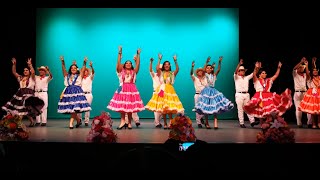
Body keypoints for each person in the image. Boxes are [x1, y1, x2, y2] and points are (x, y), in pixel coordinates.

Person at [107, 46, 145, 129]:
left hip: (131, 89)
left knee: (130, 107)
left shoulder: (134, 72)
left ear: (131, 65)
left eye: (130, 63)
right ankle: (122, 121)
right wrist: (120, 52)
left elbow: (138, 64)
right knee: (122, 107)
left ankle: (130, 123)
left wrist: (138, 54)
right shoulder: (121, 71)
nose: (128, 64)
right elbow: (118, 63)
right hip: (122, 89)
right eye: (126, 63)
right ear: (124, 65)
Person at [145, 53, 184, 129]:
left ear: (169, 66)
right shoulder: (161, 73)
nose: (166, 65)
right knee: (163, 107)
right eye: (165, 64)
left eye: (168, 64)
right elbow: (157, 68)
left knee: (169, 107)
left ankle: (170, 122)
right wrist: (159, 59)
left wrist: (175, 61)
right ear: (163, 66)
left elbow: (177, 69)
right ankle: (165, 123)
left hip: (170, 90)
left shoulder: (172, 73)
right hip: (162, 89)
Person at [2, 57, 44, 127]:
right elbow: (14, 72)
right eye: (24, 70)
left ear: (29, 71)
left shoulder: (32, 78)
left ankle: (20, 123)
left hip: (28, 94)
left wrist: (30, 65)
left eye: (27, 70)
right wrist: (14, 64)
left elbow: (33, 72)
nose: (25, 71)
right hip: (20, 94)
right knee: (22, 108)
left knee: (25, 108)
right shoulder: (21, 78)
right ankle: (29, 122)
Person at [195, 56, 234, 129]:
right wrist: (206, 62)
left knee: (215, 106)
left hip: (213, 91)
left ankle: (215, 123)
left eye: (210, 68)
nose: (209, 69)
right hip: (206, 91)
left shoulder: (214, 75)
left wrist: (219, 62)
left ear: (212, 69)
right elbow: (203, 70)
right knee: (206, 107)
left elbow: (218, 69)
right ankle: (207, 123)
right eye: (207, 68)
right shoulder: (205, 75)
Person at [58, 56, 91, 129]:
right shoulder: (67, 76)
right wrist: (62, 62)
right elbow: (63, 69)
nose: (73, 69)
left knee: (74, 109)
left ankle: (71, 123)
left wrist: (84, 62)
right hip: (68, 93)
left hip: (77, 93)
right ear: (70, 69)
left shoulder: (79, 76)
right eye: (72, 68)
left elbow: (83, 68)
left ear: (77, 69)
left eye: (75, 68)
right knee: (72, 109)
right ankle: (78, 120)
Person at [234, 59, 259, 128]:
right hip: (239, 94)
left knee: (248, 108)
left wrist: (256, 67)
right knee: (240, 109)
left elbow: (254, 73)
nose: (242, 71)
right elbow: (235, 71)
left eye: (243, 70)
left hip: (246, 94)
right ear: (239, 72)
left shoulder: (246, 78)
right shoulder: (236, 77)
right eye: (241, 70)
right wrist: (239, 64)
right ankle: (241, 123)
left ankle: (252, 122)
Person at [299, 57, 320, 129]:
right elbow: (307, 72)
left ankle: (319, 123)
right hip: (312, 94)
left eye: (316, 70)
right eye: (313, 71)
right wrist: (307, 65)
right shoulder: (310, 78)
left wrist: (314, 63)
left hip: (319, 93)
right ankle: (314, 123)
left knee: (319, 109)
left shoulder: (319, 77)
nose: (315, 71)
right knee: (314, 110)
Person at [292, 57, 312, 128]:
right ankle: (299, 123)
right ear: (298, 68)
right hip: (297, 93)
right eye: (300, 67)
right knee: (298, 108)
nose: (301, 69)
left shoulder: (305, 75)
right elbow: (294, 68)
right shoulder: (295, 74)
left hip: (305, 93)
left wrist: (306, 66)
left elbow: (309, 77)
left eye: (302, 68)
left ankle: (309, 123)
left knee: (308, 108)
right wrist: (301, 62)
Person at [77, 58, 95, 126]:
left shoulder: (90, 77)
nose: (85, 72)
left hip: (88, 94)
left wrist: (91, 66)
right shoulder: (79, 78)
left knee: (87, 108)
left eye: (86, 71)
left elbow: (93, 72)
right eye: (84, 71)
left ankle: (86, 121)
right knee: (79, 107)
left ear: (88, 72)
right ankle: (79, 120)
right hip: (81, 94)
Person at [190, 60, 206, 128]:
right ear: (197, 72)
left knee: (205, 108)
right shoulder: (195, 78)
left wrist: (206, 63)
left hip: (204, 95)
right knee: (197, 109)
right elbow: (191, 73)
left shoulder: (205, 78)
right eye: (199, 71)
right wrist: (192, 67)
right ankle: (199, 122)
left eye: (201, 71)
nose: (200, 72)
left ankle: (201, 117)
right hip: (197, 94)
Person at [149, 57, 162, 128]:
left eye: (160, 68)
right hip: (156, 92)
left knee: (162, 109)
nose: (159, 69)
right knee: (156, 108)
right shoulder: (154, 75)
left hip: (163, 92)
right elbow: (151, 70)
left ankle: (158, 121)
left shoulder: (163, 75)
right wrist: (151, 62)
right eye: (158, 68)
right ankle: (157, 123)